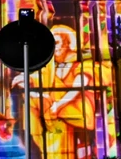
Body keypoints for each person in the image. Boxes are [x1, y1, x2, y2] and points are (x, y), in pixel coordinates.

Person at [13, 24, 96, 159]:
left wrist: (59, 105)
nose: (54, 47)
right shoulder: (50, 68)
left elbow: (78, 87)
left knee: (43, 102)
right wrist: (23, 79)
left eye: (57, 42)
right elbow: (35, 78)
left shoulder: (81, 64)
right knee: (33, 101)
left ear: (68, 43)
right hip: (53, 111)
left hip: (76, 108)